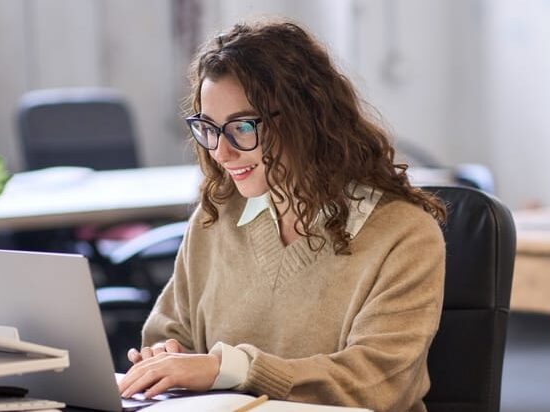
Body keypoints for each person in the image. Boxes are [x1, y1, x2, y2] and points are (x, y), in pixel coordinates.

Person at [117, 19, 447, 412]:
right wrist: (163, 357)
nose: (221, 153)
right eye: (209, 128)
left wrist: (230, 368)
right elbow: (168, 333)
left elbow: (377, 383)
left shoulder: (404, 235)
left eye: (242, 127)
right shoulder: (215, 218)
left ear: (305, 118)